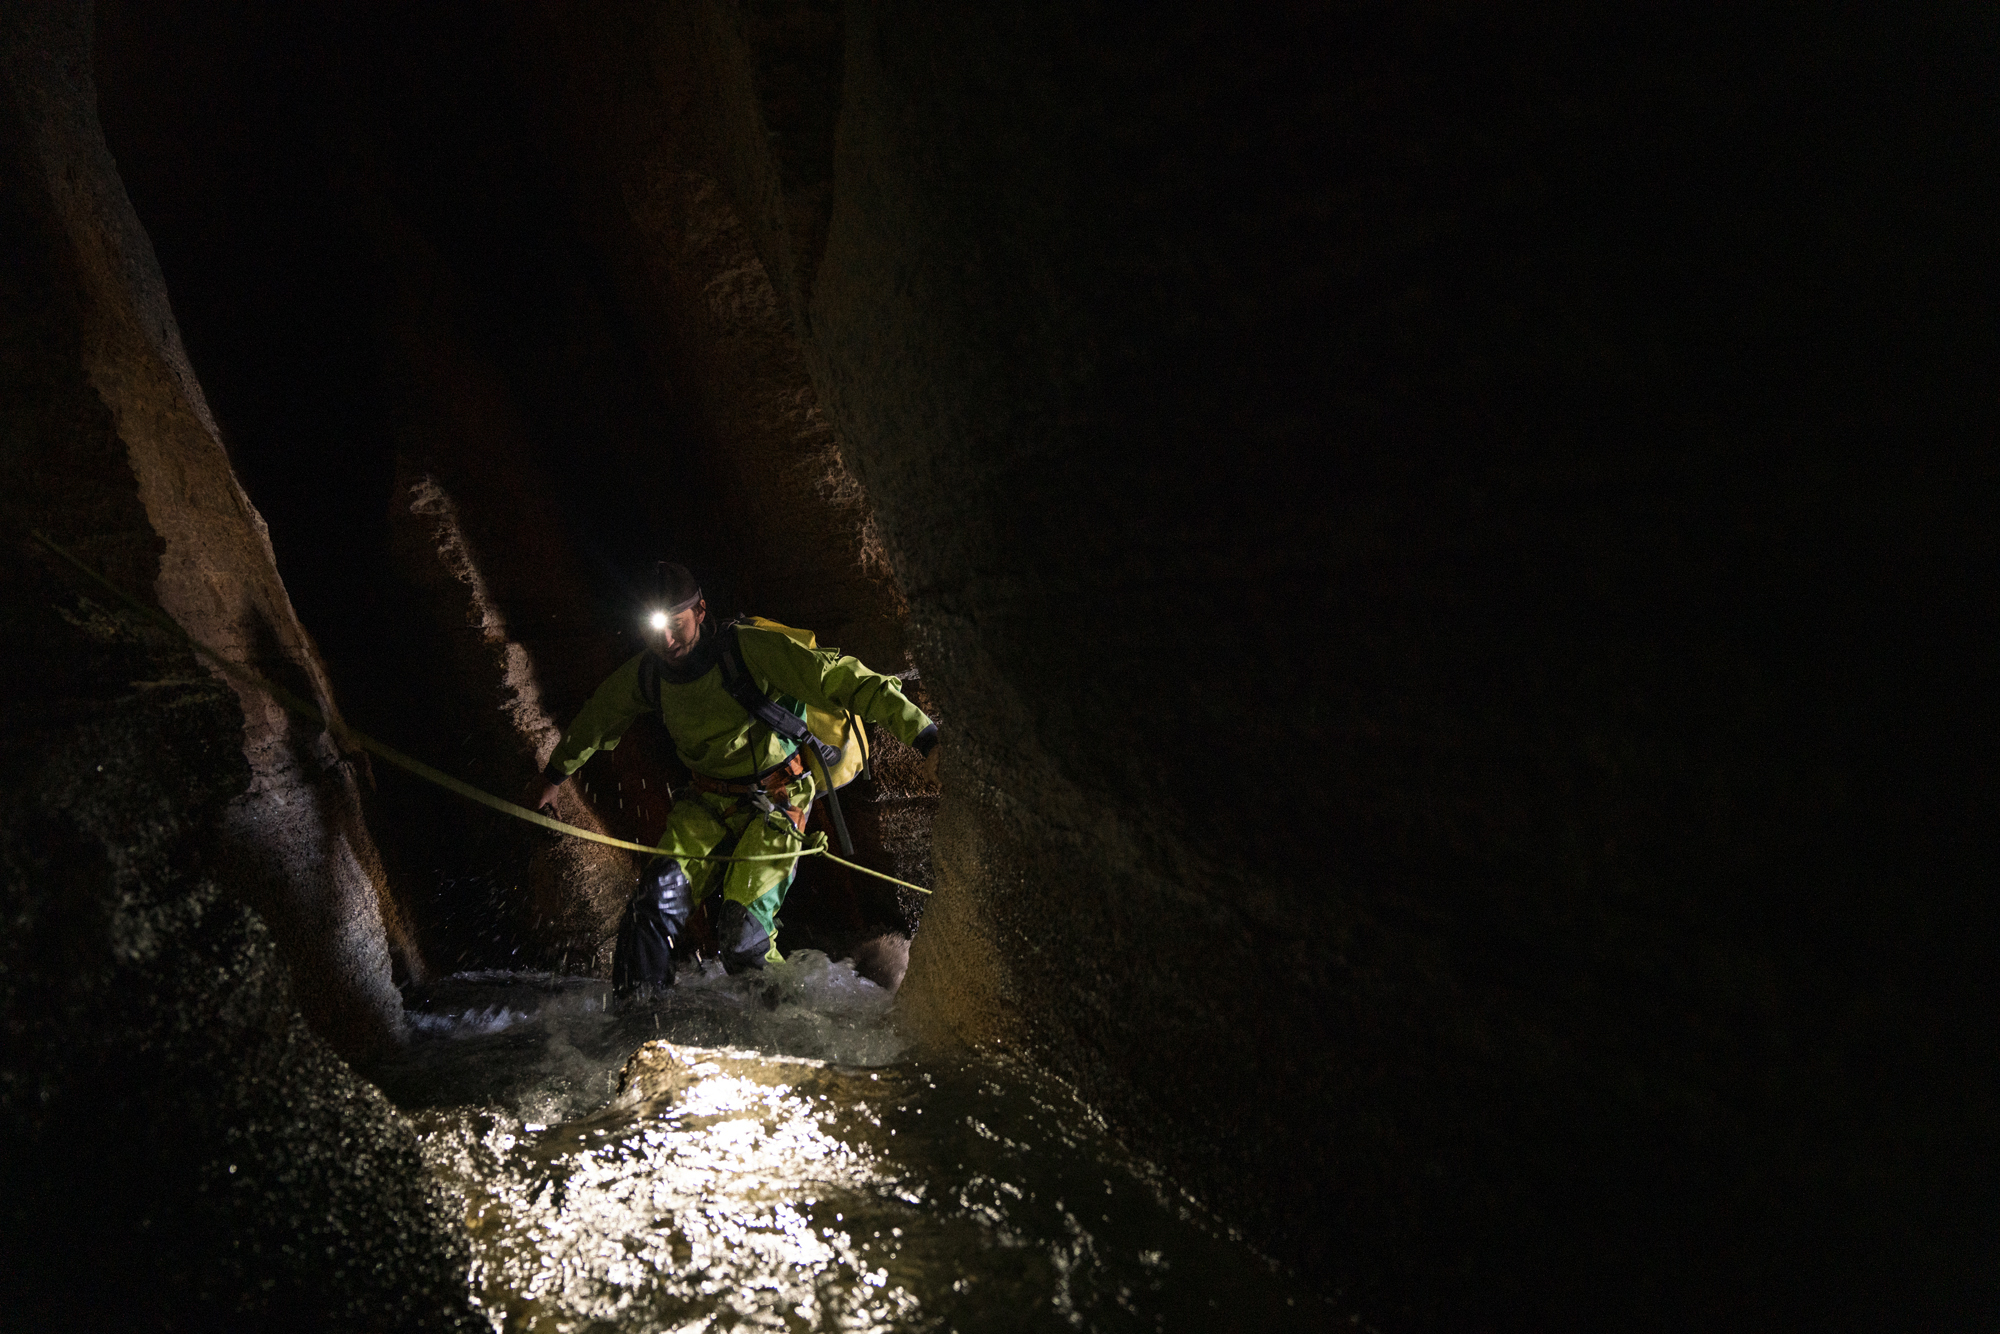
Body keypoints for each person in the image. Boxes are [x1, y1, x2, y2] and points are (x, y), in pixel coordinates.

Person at [533, 562, 939, 995]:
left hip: (777, 800)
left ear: (700, 611)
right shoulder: (648, 674)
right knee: (649, 909)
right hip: (705, 805)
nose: (666, 641)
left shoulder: (751, 650)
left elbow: (845, 679)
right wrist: (553, 778)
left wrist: (927, 738)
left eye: (676, 625)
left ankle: (795, 1019)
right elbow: (598, 718)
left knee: (743, 936)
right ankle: (639, 1017)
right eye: (654, 630)